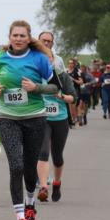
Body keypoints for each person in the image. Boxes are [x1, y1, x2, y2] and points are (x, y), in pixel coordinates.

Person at [0, 21, 56, 220]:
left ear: (28, 38)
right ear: (9, 37)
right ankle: (20, 218)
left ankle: (30, 203)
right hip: (7, 117)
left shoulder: (39, 59)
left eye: (22, 36)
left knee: (28, 167)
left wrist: (37, 88)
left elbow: (55, 87)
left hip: (35, 117)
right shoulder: (0, 58)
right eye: (14, 35)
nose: (18, 39)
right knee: (15, 165)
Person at [35, 33, 77, 203]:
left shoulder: (62, 75)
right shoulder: (34, 72)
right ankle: (44, 186)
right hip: (41, 116)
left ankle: (57, 183)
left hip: (59, 117)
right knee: (43, 152)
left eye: (49, 42)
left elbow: (73, 97)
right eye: (43, 41)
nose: (48, 61)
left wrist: (62, 97)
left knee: (57, 156)